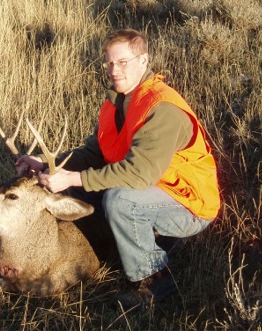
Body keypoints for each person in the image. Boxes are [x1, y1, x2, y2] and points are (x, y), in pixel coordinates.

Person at [16, 28, 221, 310]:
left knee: (120, 201)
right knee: (76, 189)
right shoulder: (116, 103)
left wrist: (74, 178)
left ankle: (153, 278)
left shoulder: (162, 108)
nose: (114, 70)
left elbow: (139, 174)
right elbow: (94, 153)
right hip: (151, 192)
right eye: (110, 62)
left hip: (187, 203)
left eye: (123, 62)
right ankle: (129, 244)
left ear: (144, 61)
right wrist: (44, 163)